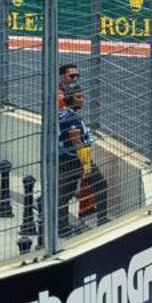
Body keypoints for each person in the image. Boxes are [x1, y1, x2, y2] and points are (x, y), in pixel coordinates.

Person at [56, 87, 97, 236]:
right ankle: (62, 228)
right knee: (65, 195)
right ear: (70, 98)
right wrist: (86, 163)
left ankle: (62, 227)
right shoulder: (71, 118)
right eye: (79, 97)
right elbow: (76, 141)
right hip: (73, 160)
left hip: (66, 158)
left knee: (64, 194)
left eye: (83, 97)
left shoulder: (64, 114)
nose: (82, 100)